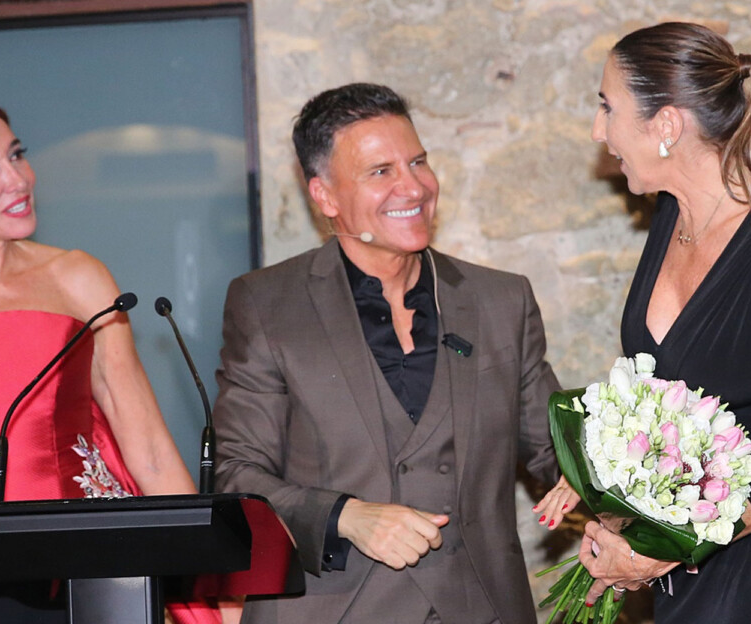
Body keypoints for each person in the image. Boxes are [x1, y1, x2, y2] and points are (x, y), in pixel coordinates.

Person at [0, 91, 221, 624]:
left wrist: (205, 591)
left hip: (93, 570)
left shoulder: (80, 277)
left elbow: (151, 451)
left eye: (17, 154)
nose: (18, 179)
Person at [213, 82, 562, 624]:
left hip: (482, 607)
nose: (414, 187)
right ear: (325, 197)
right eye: (381, 172)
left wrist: (627, 493)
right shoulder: (265, 305)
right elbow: (237, 475)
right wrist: (348, 517)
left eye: (417, 162)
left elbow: (554, 448)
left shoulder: (501, 299)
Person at [568, 22, 751, 622]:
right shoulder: (670, 216)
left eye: (609, 108)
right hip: (694, 556)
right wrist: (617, 511)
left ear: (667, 126)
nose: (600, 132)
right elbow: (666, 399)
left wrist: (667, 546)